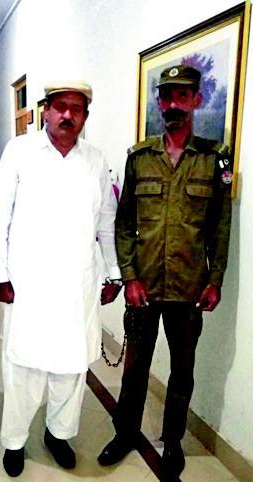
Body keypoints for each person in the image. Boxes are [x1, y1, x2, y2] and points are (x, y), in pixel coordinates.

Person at [98, 65, 232, 478]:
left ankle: (172, 441)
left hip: (189, 289)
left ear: (196, 100)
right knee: (135, 367)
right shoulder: (140, 158)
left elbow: (220, 226)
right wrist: (129, 276)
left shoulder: (213, 159)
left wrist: (215, 280)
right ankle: (125, 433)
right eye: (167, 96)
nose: (174, 104)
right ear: (159, 102)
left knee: (182, 370)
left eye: (182, 96)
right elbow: (124, 223)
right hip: (143, 287)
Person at [0, 81, 122, 477]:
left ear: (85, 116)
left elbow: (107, 223)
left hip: (77, 284)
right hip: (28, 284)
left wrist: (113, 272)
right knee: (23, 369)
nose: (67, 115)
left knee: (71, 368)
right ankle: (14, 441)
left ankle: (58, 435)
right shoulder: (19, 152)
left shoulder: (95, 160)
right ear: (45, 110)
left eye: (76, 109)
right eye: (60, 106)